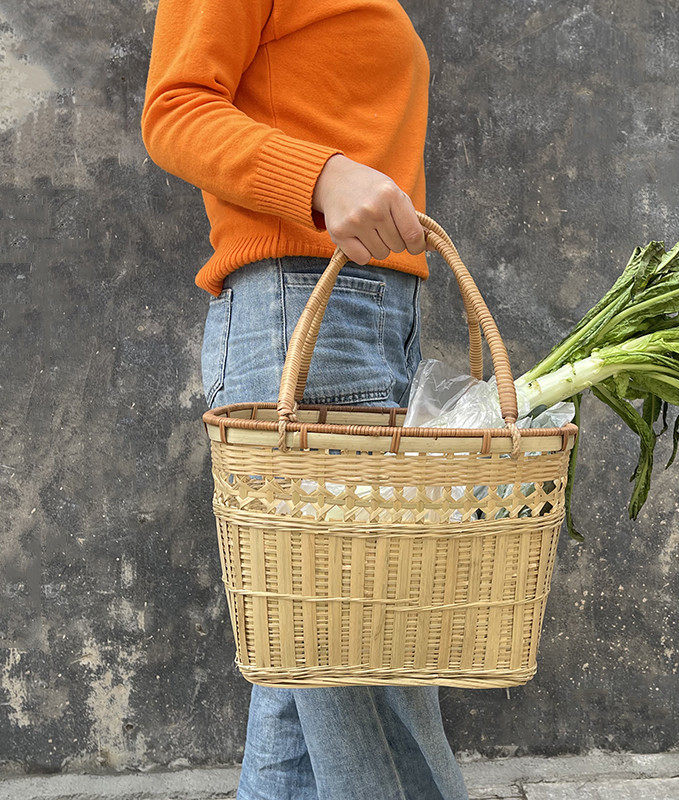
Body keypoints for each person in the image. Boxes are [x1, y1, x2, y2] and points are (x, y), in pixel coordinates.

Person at [141, 1, 469, 798]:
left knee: (312, 677)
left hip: (370, 313)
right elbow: (173, 108)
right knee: (364, 660)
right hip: (307, 306)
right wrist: (321, 175)